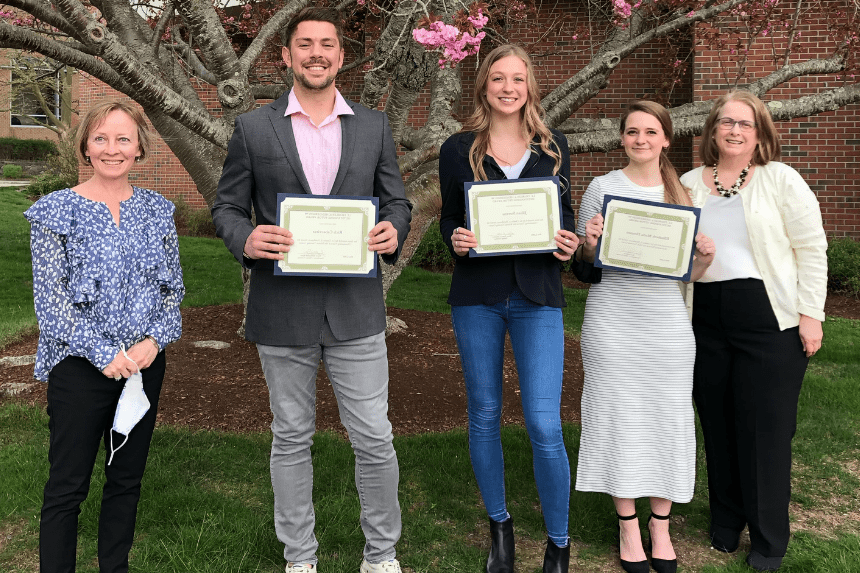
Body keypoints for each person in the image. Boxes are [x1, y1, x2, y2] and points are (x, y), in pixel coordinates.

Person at [211, 7, 412, 573]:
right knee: (291, 437)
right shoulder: (255, 127)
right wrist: (246, 238)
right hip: (282, 309)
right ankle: (300, 558)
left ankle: (382, 555)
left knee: (374, 437)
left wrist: (394, 226)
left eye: (327, 44)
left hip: (356, 310)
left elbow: (396, 200)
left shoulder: (373, 126)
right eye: (305, 44)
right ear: (286, 55)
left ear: (341, 56)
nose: (316, 53)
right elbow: (227, 205)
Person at [438, 44, 582, 573]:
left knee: (544, 422)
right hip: (477, 296)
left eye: (517, 79)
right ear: (483, 86)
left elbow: (560, 219)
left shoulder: (554, 146)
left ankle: (559, 541)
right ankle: (500, 528)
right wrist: (454, 237)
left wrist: (566, 244)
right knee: (484, 414)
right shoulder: (458, 148)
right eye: (497, 78)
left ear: (530, 87)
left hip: (537, 296)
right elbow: (449, 219)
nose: (507, 87)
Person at [25, 100, 184, 573]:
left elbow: (172, 290)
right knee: (66, 487)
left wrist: (153, 343)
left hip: (143, 365)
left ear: (139, 149)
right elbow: (51, 304)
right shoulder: (53, 213)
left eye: (123, 139)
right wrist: (103, 353)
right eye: (101, 138)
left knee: (126, 480)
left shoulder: (158, 211)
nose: (112, 149)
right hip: (79, 368)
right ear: (85, 147)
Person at [680, 90, 827, 572]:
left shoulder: (780, 179)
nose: (735, 131)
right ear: (712, 130)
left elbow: (811, 248)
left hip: (770, 319)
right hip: (706, 317)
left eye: (746, 123)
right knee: (718, 425)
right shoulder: (686, 184)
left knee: (764, 431)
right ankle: (726, 521)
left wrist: (811, 314)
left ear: (760, 133)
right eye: (726, 122)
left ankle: (768, 540)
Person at [574, 101, 715, 573]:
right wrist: (590, 245)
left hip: (665, 324)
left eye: (650, 131)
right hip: (612, 320)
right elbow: (583, 268)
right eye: (631, 131)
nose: (640, 139)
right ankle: (628, 524)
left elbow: (688, 273)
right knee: (618, 416)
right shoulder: (602, 188)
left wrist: (705, 259)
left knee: (666, 418)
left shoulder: (684, 191)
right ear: (622, 138)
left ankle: (661, 523)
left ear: (666, 139)